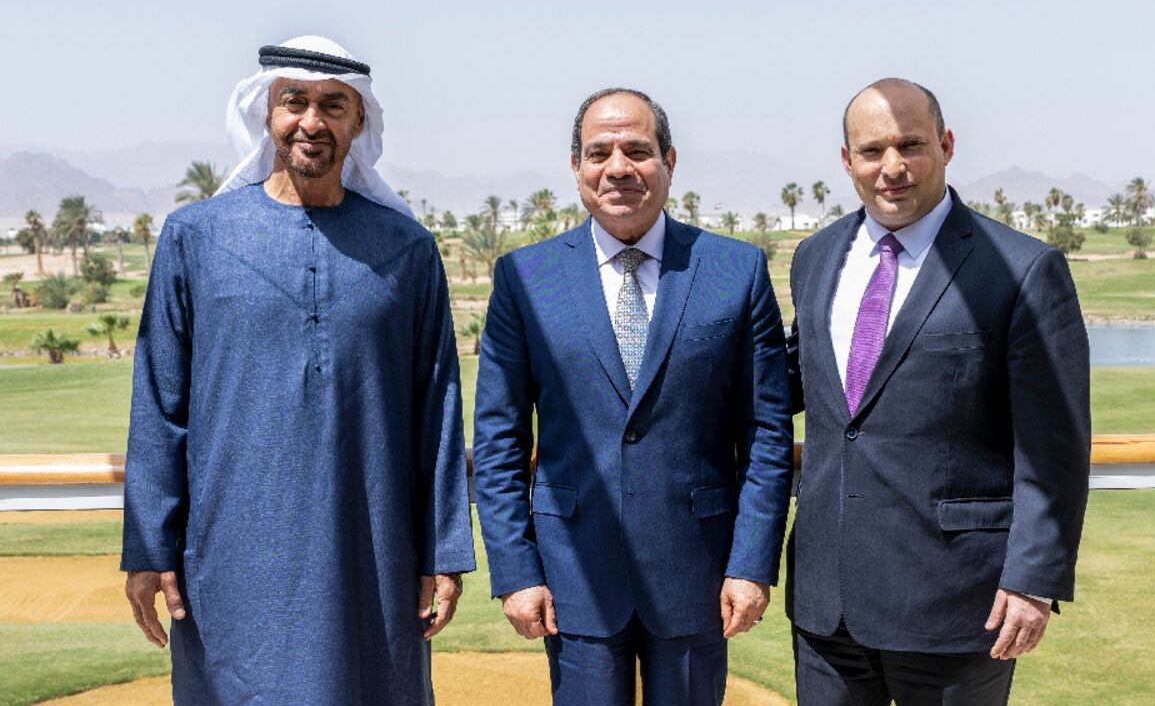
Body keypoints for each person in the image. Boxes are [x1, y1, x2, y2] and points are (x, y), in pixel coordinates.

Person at [121, 35, 475, 706]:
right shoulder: (194, 237)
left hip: (372, 550)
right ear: (265, 113)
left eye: (333, 105)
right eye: (295, 102)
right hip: (230, 549)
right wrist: (148, 546)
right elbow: (159, 401)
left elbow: (438, 408)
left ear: (359, 122)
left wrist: (443, 551)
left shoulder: (408, 248)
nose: (312, 121)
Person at [472, 88, 793, 706]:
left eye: (637, 150)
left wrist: (751, 564)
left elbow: (767, 433)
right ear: (576, 167)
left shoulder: (735, 270)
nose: (618, 167)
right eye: (599, 152)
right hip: (573, 577)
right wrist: (515, 572)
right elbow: (498, 440)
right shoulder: (525, 277)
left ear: (669, 160)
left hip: (698, 576)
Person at [785, 78, 1091, 705]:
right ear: (847, 161)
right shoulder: (815, 257)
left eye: (911, 145)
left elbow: (1054, 445)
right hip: (826, 601)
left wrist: (1033, 579)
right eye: (872, 151)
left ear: (947, 145)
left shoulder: (1022, 268)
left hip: (956, 603)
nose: (892, 168)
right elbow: (791, 385)